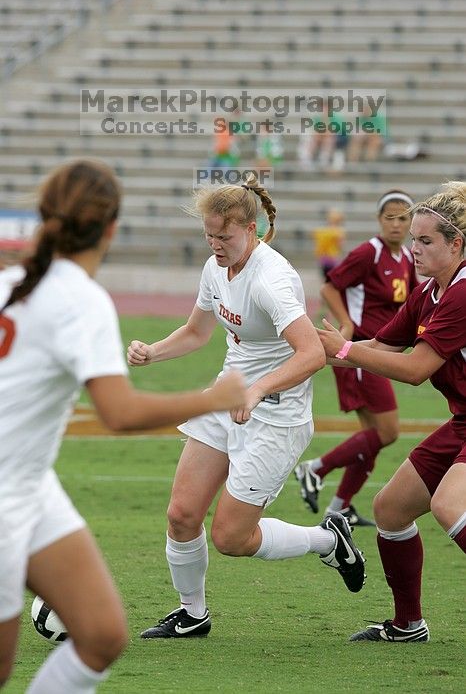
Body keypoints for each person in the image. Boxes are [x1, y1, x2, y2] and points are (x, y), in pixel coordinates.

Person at [0, 159, 248, 693]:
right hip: (4, 491)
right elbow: (119, 412)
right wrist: (215, 398)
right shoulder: (81, 300)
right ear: (111, 229)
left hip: (29, 485)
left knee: (103, 634)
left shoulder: (14, 282)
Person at [128, 173, 366, 639]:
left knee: (232, 539)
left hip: (276, 415)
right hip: (227, 395)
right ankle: (192, 613)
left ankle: (328, 541)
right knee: (181, 514)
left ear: (251, 228)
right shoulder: (215, 267)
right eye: (209, 235)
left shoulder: (272, 280)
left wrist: (256, 392)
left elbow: (313, 353)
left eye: (225, 236)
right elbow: (197, 332)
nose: (215, 245)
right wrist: (153, 351)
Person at [317, 181, 466, 642]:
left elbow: (417, 368)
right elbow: (381, 344)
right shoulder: (430, 293)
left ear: (457, 244)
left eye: (425, 241)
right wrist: (312, 350)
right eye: (414, 239)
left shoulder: (462, 294)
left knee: (448, 505)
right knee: (391, 510)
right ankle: (408, 625)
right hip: (462, 422)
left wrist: (342, 348)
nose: (413, 249)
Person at [295, 190, 417, 526]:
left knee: (372, 439)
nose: (396, 223)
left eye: (402, 217)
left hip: (380, 354)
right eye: (389, 217)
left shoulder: (407, 257)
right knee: (388, 431)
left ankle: (338, 509)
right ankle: (314, 468)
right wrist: (346, 322)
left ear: (410, 223)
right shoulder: (368, 252)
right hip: (361, 352)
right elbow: (329, 288)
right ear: (379, 220)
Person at [312, 208, 346, 280]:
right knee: (333, 281)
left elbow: (318, 245)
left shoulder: (321, 231)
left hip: (323, 259)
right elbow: (340, 245)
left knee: (325, 280)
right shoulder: (339, 232)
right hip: (333, 258)